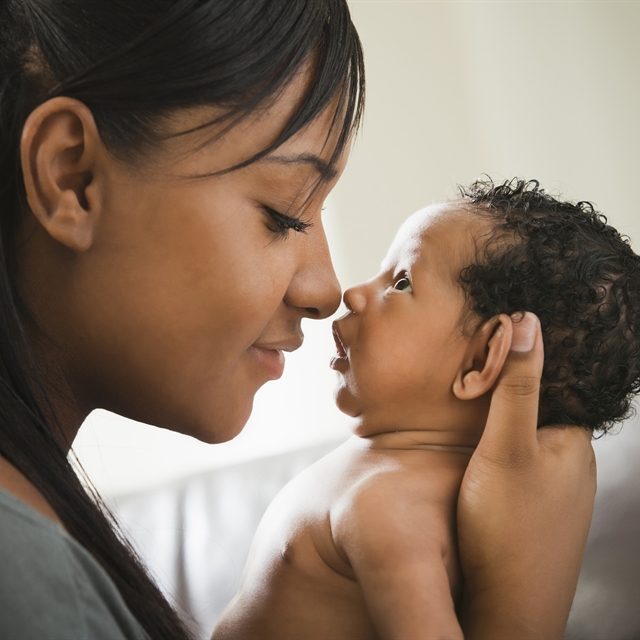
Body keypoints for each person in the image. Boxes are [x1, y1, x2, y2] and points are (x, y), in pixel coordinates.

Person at [0, 0, 594, 637]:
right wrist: (523, 602)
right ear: (73, 175)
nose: (328, 289)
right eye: (284, 214)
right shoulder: (24, 578)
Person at [213, 179, 632, 640]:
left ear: (481, 361)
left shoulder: (392, 508)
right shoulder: (396, 481)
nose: (352, 294)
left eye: (401, 282)